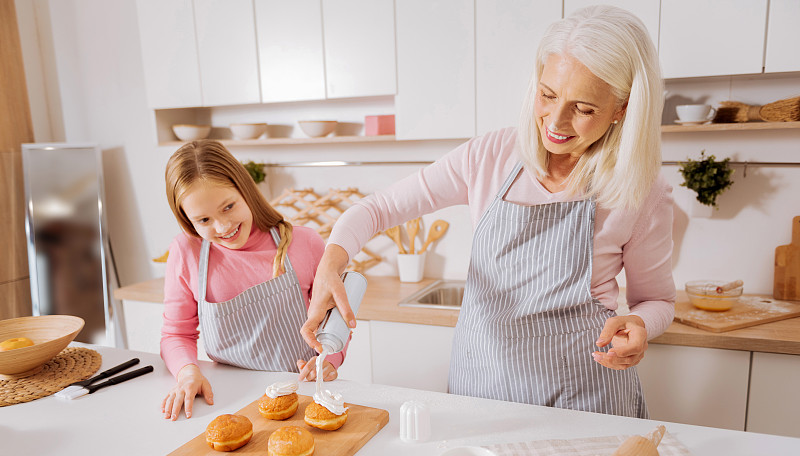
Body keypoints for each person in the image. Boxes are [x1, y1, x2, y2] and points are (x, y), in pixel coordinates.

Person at [301, 5, 675, 418]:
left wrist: (640, 325)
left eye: (584, 108)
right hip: (482, 388)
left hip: (585, 393)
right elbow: (379, 209)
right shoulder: (490, 157)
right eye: (548, 95)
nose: (555, 119)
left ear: (622, 108)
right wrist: (332, 261)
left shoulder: (641, 190)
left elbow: (655, 300)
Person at [160, 140, 341, 420]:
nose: (223, 227)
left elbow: (335, 320)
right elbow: (176, 333)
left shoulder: (304, 244)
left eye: (228, 207)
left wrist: (330, 360)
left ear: (245, 189)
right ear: (187, 221)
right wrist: (187, 372)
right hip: (224, 403)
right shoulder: (187, 252)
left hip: (303, 395)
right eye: (204, 220)